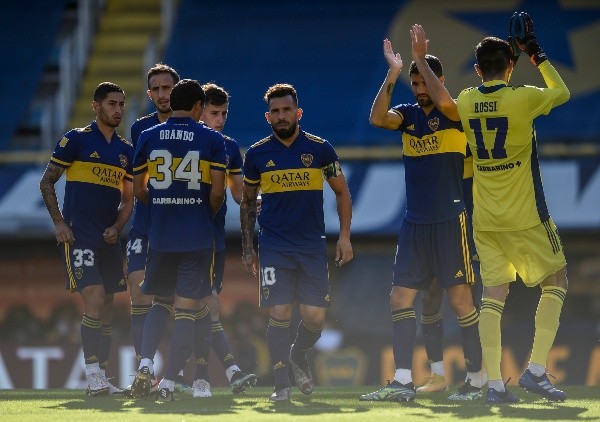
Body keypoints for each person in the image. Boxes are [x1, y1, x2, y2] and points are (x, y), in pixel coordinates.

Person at [360, 25, 484, 403]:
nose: (418, 89)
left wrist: (418, 59)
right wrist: (395, 73)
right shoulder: (408, 116)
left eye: (423, 82)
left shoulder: (455, 110)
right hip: (415, 222)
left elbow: (446, 105)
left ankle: (477, 381)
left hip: (450, 220)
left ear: (438, 80)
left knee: (461, 302)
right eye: (413, 84)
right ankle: (401, 380)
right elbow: (377, 119)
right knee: (400, 297)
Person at [456, 13, 570, 403]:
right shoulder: (524, 97)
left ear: (476, 70)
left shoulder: (466, 101)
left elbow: (446, 101)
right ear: (510, 66)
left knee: (493, 294)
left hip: (485, 218)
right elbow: (563, 90)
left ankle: (494, 386)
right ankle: (535, 371)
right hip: (526, 216)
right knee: (557, 281)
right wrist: (535, 53)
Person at [240, 83, 353, 401]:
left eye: (286, 109)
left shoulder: (320, 149)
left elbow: (342, 192)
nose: (281, 115)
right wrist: (248, 248)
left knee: (315, 316)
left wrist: (344, 237)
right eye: (275, 111)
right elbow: (248, 203)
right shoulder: (257, 154)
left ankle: (297, 353)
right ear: (267, 116)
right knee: (279, 311)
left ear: (298, 112)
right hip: (274, 245)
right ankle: (281, 386)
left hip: (312, 244)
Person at [129, 79, 227, 402]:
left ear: (172, 102)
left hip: (160, 235)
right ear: (199, 106)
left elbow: (139, 189)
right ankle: (168, 384)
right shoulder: (212, 139)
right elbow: (216, 193)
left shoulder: (147, 136)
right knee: (186, 310)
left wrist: (160, 207)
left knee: (159, 301)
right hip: (196, 237)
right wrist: (201, 210)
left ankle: (144, 364)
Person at [39, 82, 134, 396]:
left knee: (106, 306)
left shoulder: (125, 152)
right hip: (79, 236)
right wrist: (58, 222)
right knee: (93, 299)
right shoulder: (76, 140)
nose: (117, 109)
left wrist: (118, 227)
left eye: (121, 104)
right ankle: (92, 375)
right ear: (96, 106)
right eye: (111, 103)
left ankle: (102, 377)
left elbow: (130, 200)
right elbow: (47, 181)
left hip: (108, 241)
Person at [194, 82, 257, 395]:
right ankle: (214, 374)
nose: (220, 119)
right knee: (199, 306)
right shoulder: (186, 142)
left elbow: (236, 192)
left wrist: (252, 199)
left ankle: (196, 377)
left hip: (213, 239)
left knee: (205, 307)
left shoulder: (230, 147)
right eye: (214, 113)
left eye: (224, 114)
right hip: (183, 236)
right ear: (200, 110)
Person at [125, 63, 181, 392]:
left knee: (176, 300)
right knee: (138, 292)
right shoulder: (140, 130)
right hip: (146, 224)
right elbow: (138, 179)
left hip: (177, 227)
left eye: (167, 88)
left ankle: (185, 374)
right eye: (156, 89)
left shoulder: (193, 128)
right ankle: (143, 369)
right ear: (149, 94)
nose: (162, 94)